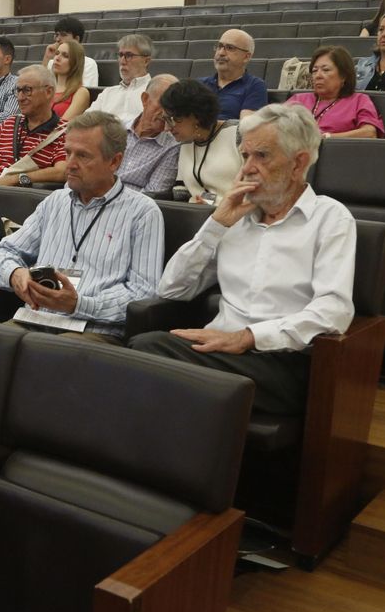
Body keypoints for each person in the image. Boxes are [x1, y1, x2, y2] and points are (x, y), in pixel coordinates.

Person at [129, 103, 356, 416]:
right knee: (144, 348)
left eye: (261, 156)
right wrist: (216, 224)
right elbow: (171, 289)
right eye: (245, 156)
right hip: (218, 349)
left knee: (155, 364)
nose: (247, 167)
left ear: (297, 163)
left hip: (279, 359)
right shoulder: (235, 217)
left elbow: (334, 310)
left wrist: (248, 338)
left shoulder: (330, 218)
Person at [0, 110, 164, 345]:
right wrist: (15, 274)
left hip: (93, 329)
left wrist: (78, 304)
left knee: (48, 356)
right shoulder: (55, 202)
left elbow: (144, 293)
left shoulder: (142, 212)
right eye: (67, 153)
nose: (70, 164)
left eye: (83, 156)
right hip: (35, 319)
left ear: (114, 161)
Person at [160, 79, 242, 205]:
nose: (166, 128)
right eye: (164, 119)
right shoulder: (185, 142)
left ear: (196, 116)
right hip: (195, 218)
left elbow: (259, 190)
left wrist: (215, 205)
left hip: (236, 216)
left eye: (171, 119)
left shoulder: (239, 134)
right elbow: (180, 193)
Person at [286, 46, 384, 139]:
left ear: (343, 76)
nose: (318, 75)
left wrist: (328, 137)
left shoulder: (359, 100)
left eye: (326, 70)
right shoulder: (298, 99)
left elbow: (369, 133)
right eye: (315, 71)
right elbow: (275, 125)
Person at [116, 74, 180, 195]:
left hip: (132, 208)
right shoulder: (115, 129)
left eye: (173, 107)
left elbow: (154, 193)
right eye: (164, 103)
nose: (167, 112)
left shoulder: (173, 146)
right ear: (145, 99)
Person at [198, 29, 267, 120]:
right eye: (219, 46)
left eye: (230, 48)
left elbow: (246, 126)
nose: (221, 53)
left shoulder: (254, 86)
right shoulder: (199, 85)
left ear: (246, 57)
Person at [87, 34, 154, 127]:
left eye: (129, 55)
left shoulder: (155, 92)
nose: (122, 61)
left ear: (146, 61)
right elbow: (85, 121)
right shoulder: (107, 93)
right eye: (120, 55)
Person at [42, 17, 99, 87]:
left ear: (76, 39)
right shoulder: (53, 62)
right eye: (57, 35)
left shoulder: (88, 64)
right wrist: (47, 58)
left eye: (63, 35)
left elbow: (87, 91)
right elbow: (41, 87)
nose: (58, 39)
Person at [51, 39, 91, 120]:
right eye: (57, 53)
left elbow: (62, 128)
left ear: (75, 63)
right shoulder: (46, 88)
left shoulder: (81, 93)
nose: (57, 58)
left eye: (65, 55)